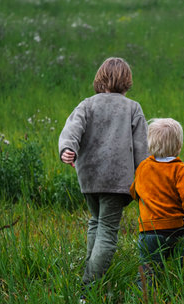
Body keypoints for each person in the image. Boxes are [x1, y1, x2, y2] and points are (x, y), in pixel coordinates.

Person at [59, 57, 149, 290]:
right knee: (107, 229)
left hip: (89, 177)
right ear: (127, 81)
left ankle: (90, 270)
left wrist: (68, 149)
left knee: (96, 222)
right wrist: (143, 181)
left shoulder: (87, 105)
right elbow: (142, 148)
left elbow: (72, 128)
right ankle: (89, 286)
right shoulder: (133, 108)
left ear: (100, 78)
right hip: (117, 180)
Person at [130, 118, 184, 284]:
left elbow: (134, 192)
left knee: (148, 270)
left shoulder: (143, 167)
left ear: (150, 144)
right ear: (178, 146)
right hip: (177, 229)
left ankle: (143, 301)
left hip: (149, 230)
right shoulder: (179, 168)